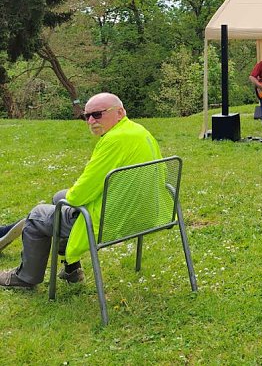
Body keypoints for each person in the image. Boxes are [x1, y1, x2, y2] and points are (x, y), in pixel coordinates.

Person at [0, 93, 163, 289]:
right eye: (87, 116)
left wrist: (72, 197)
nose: (91, 121)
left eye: (98, 114)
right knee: (58, 197)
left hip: (111, 222)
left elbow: (78, 196)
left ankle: (25, 278)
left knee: (37, 216)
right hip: (145, 213)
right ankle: (71, 269)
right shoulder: (139, 131)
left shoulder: (112, 141)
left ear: (120, 112)